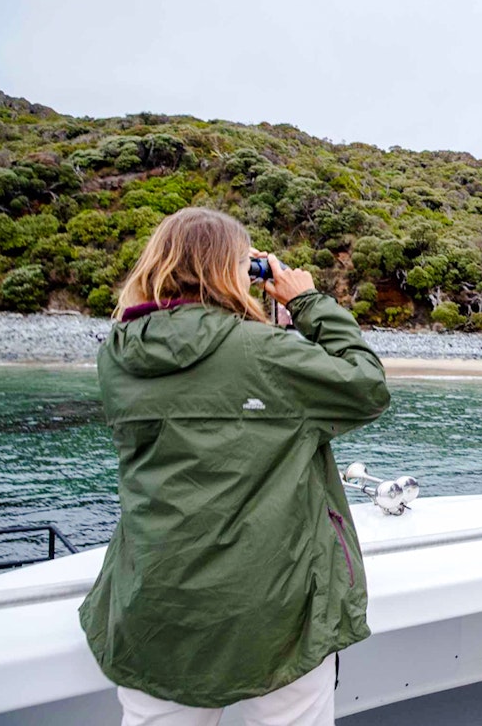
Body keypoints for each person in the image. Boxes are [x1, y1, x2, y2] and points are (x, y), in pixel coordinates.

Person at [79, 207, 392, 725]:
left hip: (155, 601)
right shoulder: (267, 355)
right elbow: (366, 386)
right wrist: (306, 302)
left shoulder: (118, 355)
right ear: (234, 270)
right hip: (274, 609)